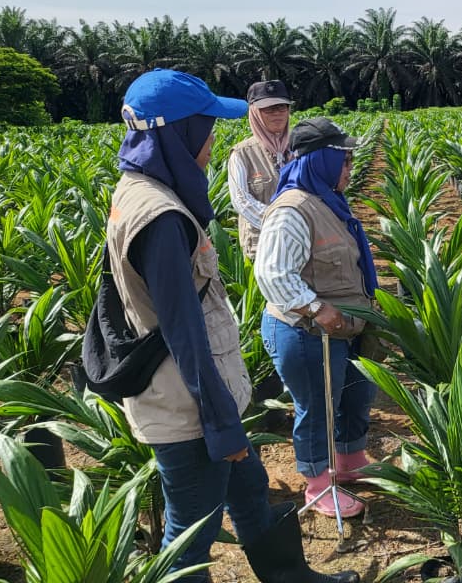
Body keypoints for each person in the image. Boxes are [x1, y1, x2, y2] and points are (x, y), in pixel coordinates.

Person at [107, 69, 357, 583]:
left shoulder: (140, 191)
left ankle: (292, 577)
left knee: (249, 493)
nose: (212, 142)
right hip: (189, 406)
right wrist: (220, 423)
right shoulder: (160, 216)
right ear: (179, 133)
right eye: (206, 129)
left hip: (203, 394)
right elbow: (182, 330)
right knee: (191, 530)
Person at [255, 118, 379, 520]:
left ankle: (349, 460)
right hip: (305, 330)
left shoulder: (327, 199)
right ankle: (318, 484)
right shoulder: (292, 209)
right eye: (344, 161)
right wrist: (317, 308)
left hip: (343, 326)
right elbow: (272, 274)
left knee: (356, 394)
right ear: (323, 161)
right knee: (319, 407)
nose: (350, 169)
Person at [228, 80, 292, 260]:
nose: (277, 113)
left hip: (300, 243)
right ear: (254, 112)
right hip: (262, 245)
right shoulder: (242, 153)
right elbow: (242, 200)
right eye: (269, 109)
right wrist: (283, 223)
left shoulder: (300, 148)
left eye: (282, 107)